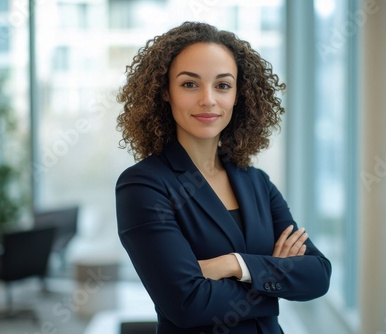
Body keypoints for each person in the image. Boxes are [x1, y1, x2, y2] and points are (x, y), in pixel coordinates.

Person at [115, 21, 331, 334]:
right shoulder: (144, 185)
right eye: (190, 84)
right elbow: (188, 304)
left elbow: (318, 274)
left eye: (223, 85)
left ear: (238, 95)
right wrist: (274, 280)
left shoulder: (256, 182)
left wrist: (233, 264)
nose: (208, 100)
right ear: (164, 91)